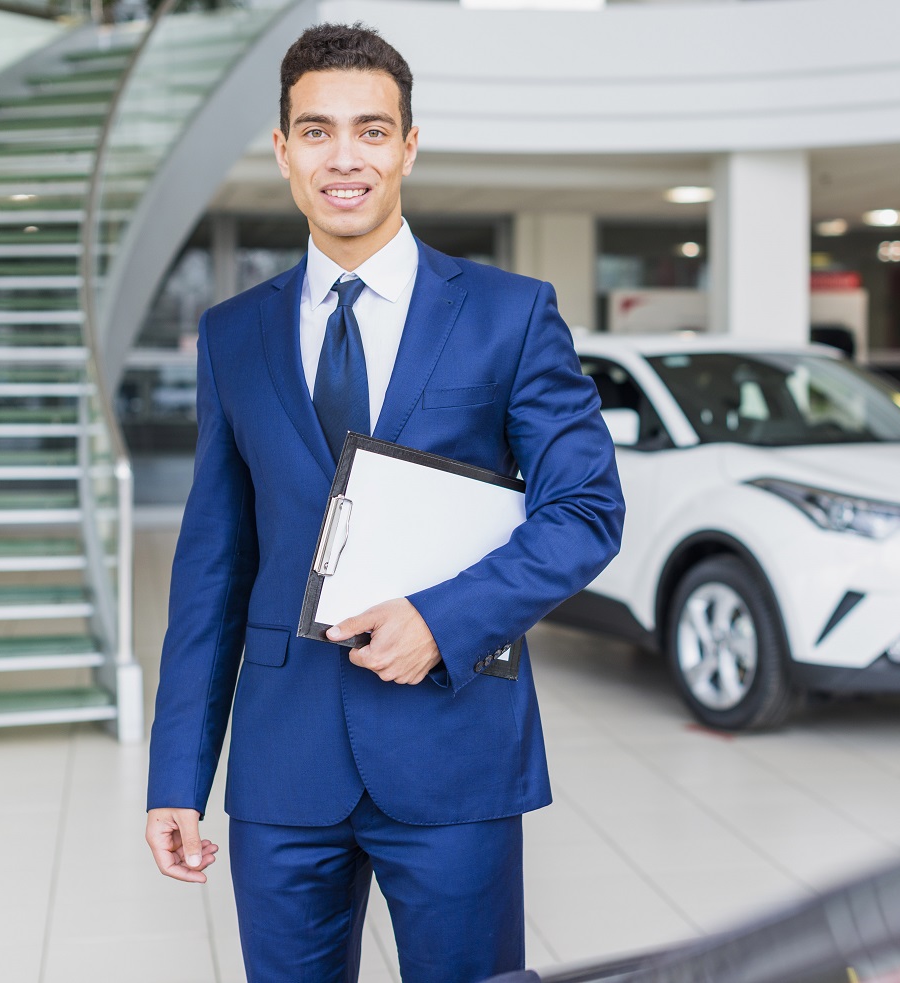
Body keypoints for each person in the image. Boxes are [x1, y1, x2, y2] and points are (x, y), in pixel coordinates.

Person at [142, 23, 625, 983]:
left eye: (371, 129)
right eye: (317, 132)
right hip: (282, 760)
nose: (344, 157)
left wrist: (443, 621)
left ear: (408, 144)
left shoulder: (509, 313)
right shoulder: (233, 335)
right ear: (283, 151)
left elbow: (586, 510)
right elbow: (212, 569)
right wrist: (176, 776)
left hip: (453, 749)